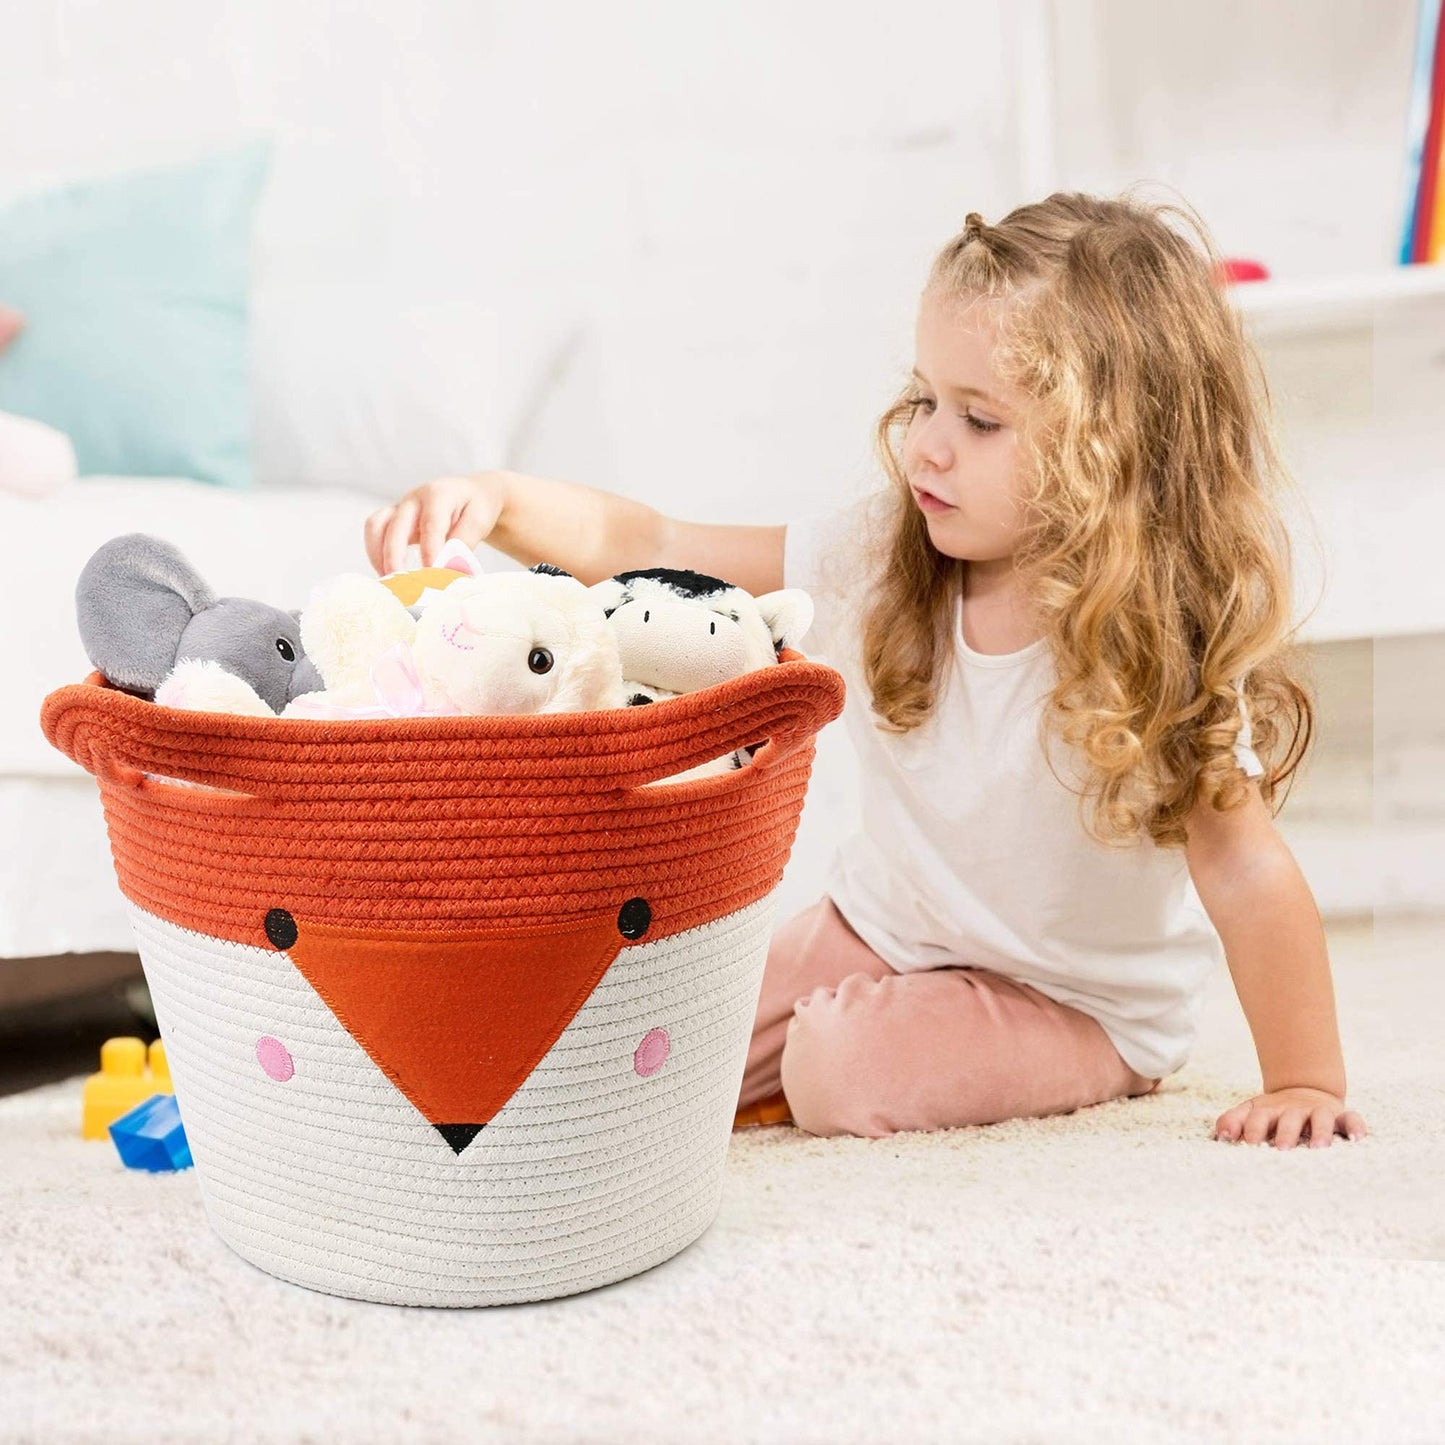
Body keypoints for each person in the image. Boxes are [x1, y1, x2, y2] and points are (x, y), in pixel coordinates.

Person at [364, 191, 1367, 1150]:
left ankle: (1021, 1055)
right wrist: (494, 497)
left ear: (1107, 454)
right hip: (881, 929)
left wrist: (1303, 1079)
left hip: (1073, 1002)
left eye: (979, 419)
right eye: (926, 398)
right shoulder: (886, 562)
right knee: (623, 1029)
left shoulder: (1160, 633)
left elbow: (1241, 868)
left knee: (839, 1068)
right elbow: (658, 539)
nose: (926, 443)